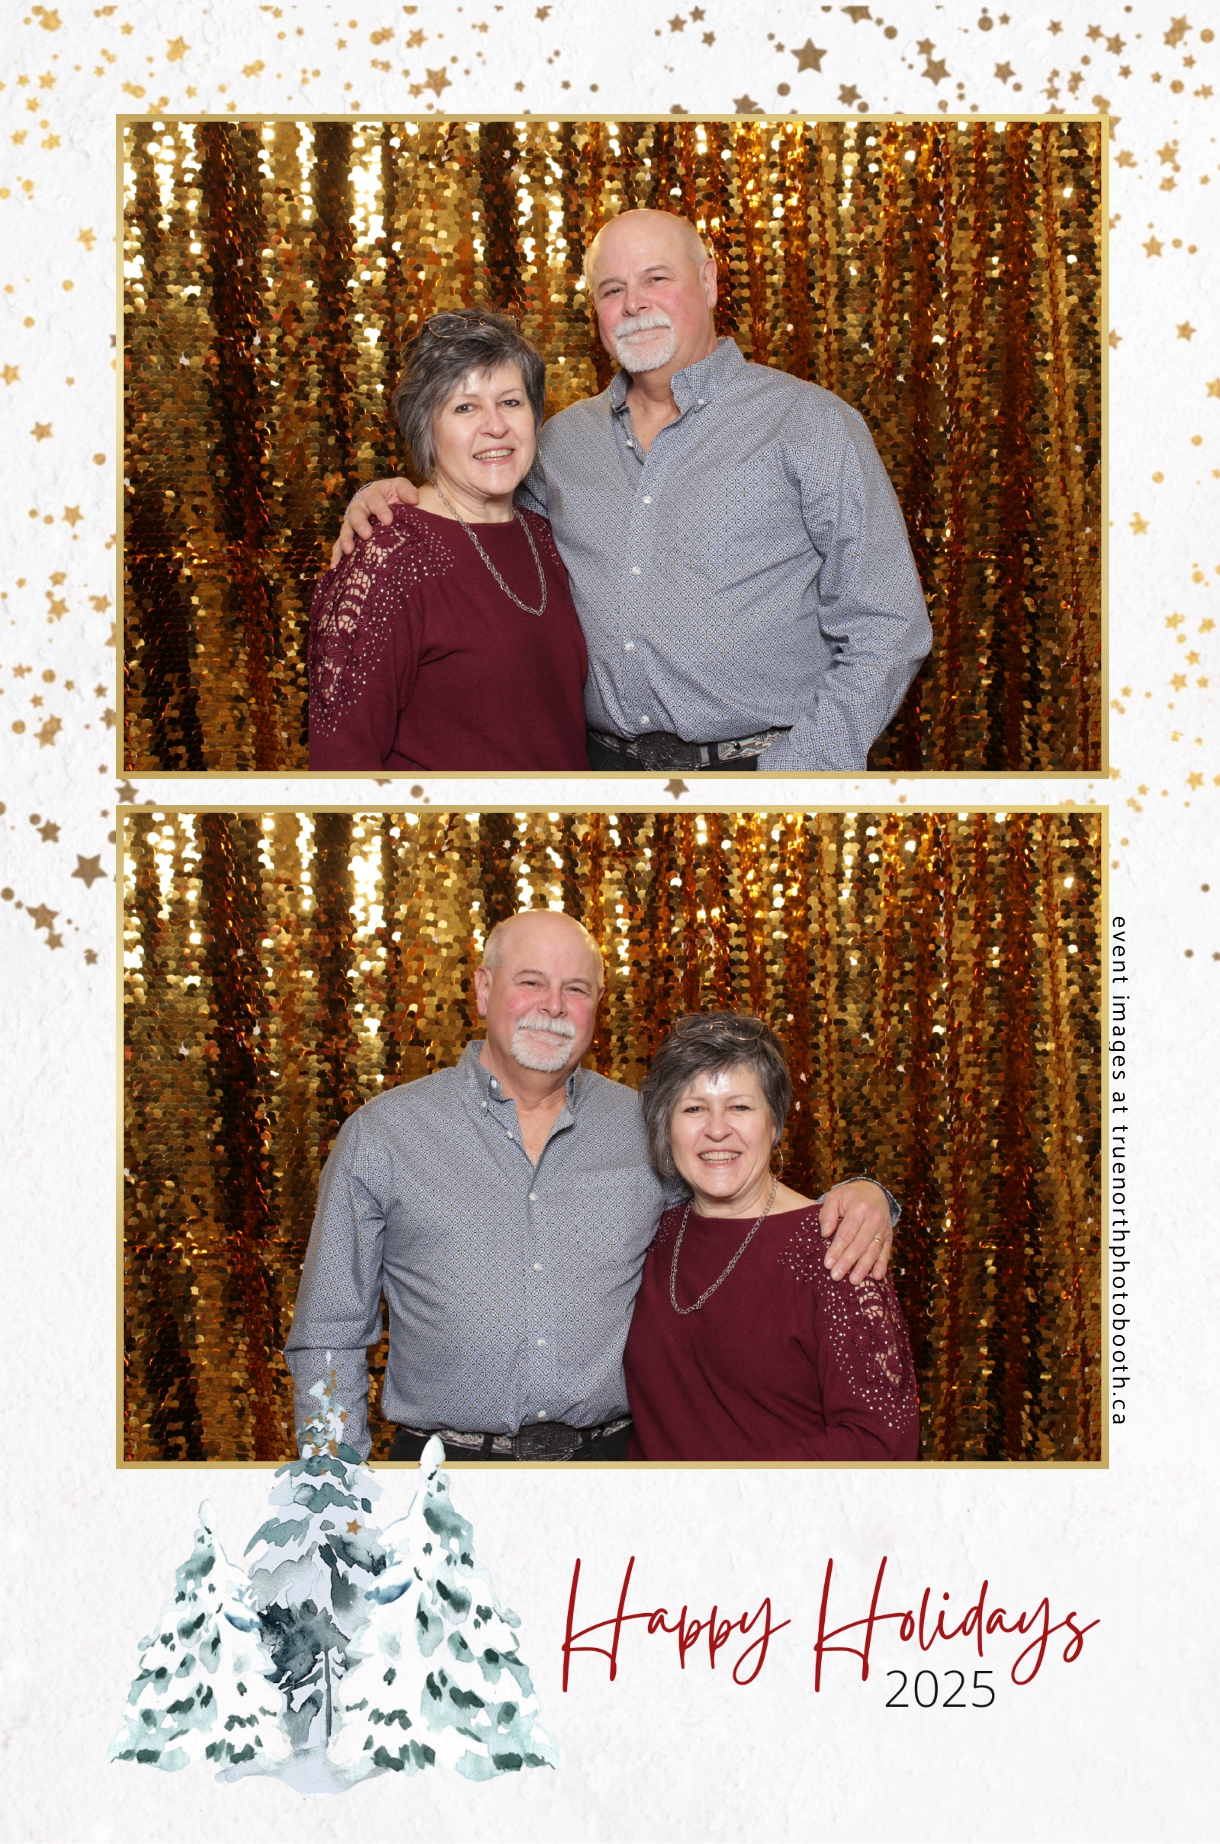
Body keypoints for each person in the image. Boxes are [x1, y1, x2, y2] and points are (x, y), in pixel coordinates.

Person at [284, 910, 899, 1464]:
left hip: (612, 1468)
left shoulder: (648, 1126)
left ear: (597, 1004)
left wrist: (869, 1197)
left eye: (575, 989)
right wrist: (334, 1494)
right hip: (443, 1474)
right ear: (483, 988)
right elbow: (328, 1333)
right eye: (531, 981)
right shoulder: (384, 1134)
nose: (553, 1006)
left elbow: (739, 1199)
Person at [334, 208, 931, 773]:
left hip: (759, 774)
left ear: (709, 282)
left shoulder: (809, 425)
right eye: (612, 289)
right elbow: (478, 514)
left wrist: (799, 772)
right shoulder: (559, 442)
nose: (634, 303)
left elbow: (888, 623)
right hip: (596, 776)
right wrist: (395, 496)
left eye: (656, 278)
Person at [623, 1014, 920, 1462]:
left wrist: (726, 1494)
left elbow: (881, 1444)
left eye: (740, 1107)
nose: (717, 1129)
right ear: (666, 1127)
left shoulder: (836, 1247)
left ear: (775, 1123)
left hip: (773, 1507)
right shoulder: (654, 1232)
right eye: (693, 1109)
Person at [308, 309, 590, 771]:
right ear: (426, 427)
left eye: (511, 402)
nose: (495, 426)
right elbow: (342, 763)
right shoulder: (389, 557)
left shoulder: (544, 533)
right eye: (465, 407)